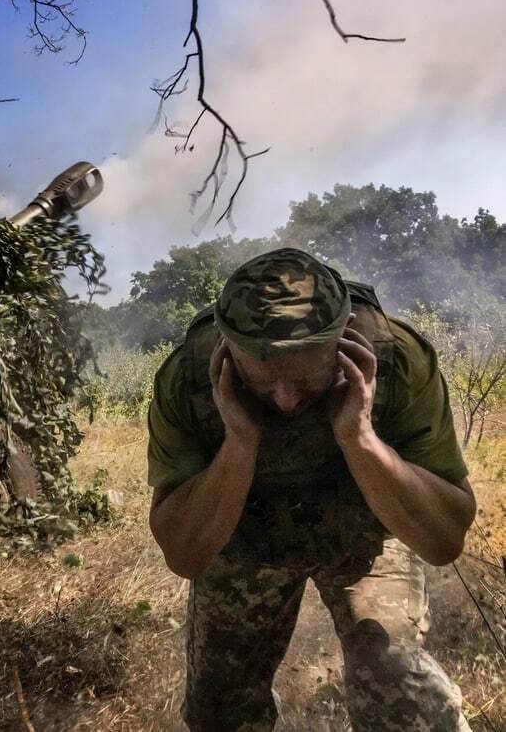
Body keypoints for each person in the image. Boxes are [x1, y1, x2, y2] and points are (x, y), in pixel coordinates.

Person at [146, 248, 476, 731]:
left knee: (398, 687)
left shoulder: (397, 357)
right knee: (220, 712)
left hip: (363, 532)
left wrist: (359, 437)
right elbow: (184, 554)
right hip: (245, 537)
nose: (285, 399)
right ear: (227, 351)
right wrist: (240, 443)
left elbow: (443, 541)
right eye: (263, 382)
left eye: (306, 378)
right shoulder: (188, 378)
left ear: (345, 342)